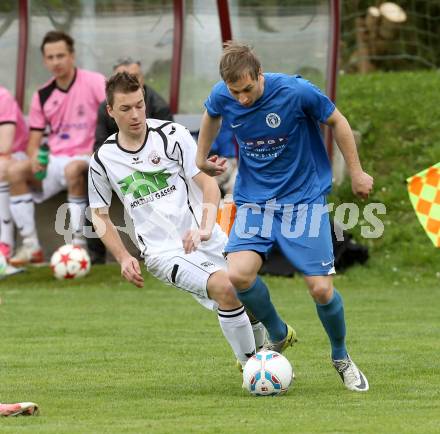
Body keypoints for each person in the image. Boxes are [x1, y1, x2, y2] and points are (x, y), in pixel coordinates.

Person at [196, 42, 373, 392]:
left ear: (260, 76)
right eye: (236, 92)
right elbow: (211, 114)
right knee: (238, 275)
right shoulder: (223, 94)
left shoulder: (296, 91)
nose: (242, 98)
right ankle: (277, 332)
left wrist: (356, 172)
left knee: (321, 289)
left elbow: (337, 120)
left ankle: (341, 357)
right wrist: (202, 157)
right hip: (255, 203)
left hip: (303, 201)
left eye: (248, 89)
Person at [88, 72, 264, 370]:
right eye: (126, 108)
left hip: (205, 234)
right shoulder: (103, 159)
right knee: (227, 289)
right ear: (110, 111)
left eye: (140, 105)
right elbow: (98, 214)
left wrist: (206, 227)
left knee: (251, 297)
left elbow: (209, 185)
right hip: (164, 251)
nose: (136, 115)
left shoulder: (171, 135)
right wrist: (122, 257)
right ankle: (252, 366)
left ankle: (264, 358)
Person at [6, 31, 105, 266]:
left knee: (73, 169)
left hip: (89, 157)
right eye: (50, 57)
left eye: (61, 55)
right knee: (15, 172)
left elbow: (112, 120)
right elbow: (34, 141)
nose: (56, 62)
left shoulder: (95, 82)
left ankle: (78, 246)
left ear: (72, 55)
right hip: (56, 159)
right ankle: (31, 247)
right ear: (44, 60)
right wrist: (34, 160)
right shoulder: (42, 94)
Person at [88, 56, 173, 264]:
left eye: (134, 76)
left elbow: (168, 150)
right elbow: (98, 145)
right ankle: (95, 255)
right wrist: (118, 167)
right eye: (125, 109)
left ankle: (156, 247)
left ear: (142, 79)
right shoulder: (104, 108)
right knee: (90, 183)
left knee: (146, 189)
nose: (134, 114)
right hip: (115, 169)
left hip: (156, 170)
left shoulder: (159, 106)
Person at [0, 86, 29, 259]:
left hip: (15, 155)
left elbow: (5, 147)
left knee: (1, 166)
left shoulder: (2, 97)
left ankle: (5, 243)